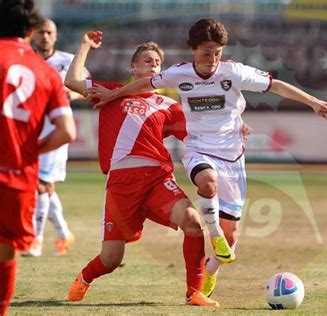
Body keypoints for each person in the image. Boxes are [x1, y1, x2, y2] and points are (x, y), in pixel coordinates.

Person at [88, 18, 327, 298]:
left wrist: (313, 102)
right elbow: (143, 84)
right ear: (193, 50)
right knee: (206, 183)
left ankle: (212, 267)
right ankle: (214, 235)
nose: (212, 59)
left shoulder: (235, 72)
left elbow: (277, 86)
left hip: (232, 157)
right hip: (199, 149)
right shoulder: (179, 74)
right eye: (205, 53)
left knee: (231, 240)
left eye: (217, 53)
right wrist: (114, 94)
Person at [64, 30, 219, 306]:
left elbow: (200, 136)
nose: (153, 65)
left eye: (157, 62)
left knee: (194, 223)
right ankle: (84, 278)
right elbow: (72, 81)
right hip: (122, 185)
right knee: (111, 259)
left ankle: (194, 292)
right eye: (147, 60)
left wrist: (232, 129)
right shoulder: (112, 93)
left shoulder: (170, 106)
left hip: (157, 179)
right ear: (133, 67)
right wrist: (85, 45)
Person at [0, 0, 76, 314]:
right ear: (31, 31)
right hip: (17, 177)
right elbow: (67, 131)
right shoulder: (45, 72)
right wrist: (27, 151)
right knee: (5, 255)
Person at [24, 18, 86, 257]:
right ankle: (63, 233)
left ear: (56, 35)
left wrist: (69, 94)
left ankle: (36, 240)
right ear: (32, 35)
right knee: (41, 185)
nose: (45, 36)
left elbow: (86, 87)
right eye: (41, 32)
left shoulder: (68, 61)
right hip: (31, 127)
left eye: (49, 32)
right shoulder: (25, 60)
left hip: (58, 127)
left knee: (42, 184)